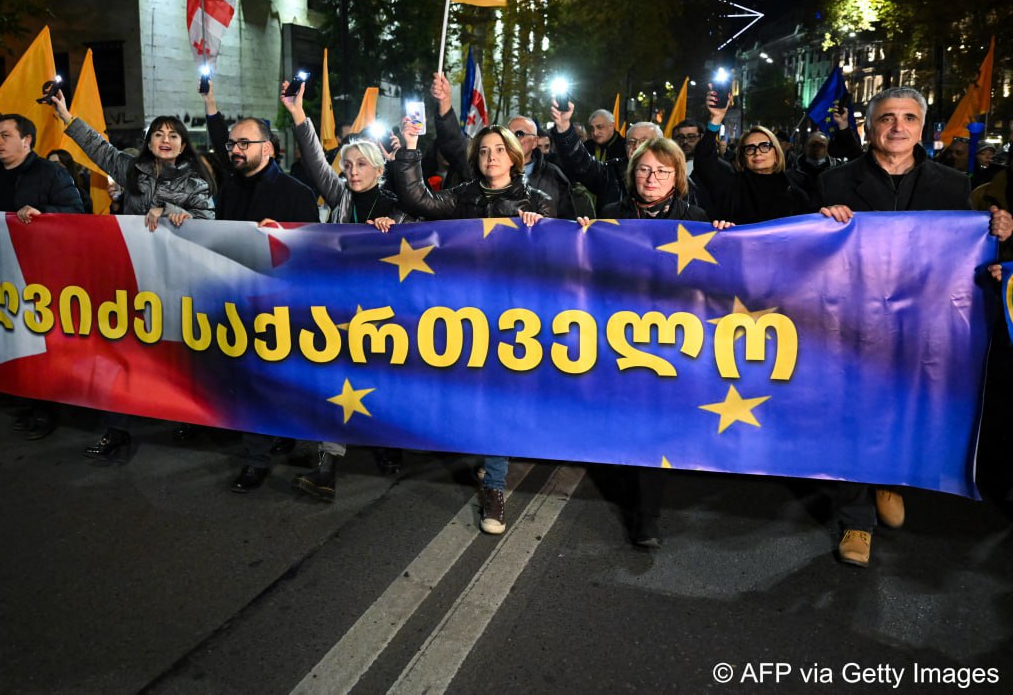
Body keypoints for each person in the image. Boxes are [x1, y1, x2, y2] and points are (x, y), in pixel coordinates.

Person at [818, 87, 1013, 568]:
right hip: (853, 322)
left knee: (908, 405)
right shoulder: (835, 183)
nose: (898, 127)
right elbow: (809, 252)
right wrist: (821, 223)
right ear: (869, 126)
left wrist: (1001, 233)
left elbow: (971, 251)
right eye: (887, 117)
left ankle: (891, 479)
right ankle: (857, 519)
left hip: (922, 323)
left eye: (908, 117)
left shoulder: (951, 184)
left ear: (922, 127)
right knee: (852, 413)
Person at [393, 113, 553, 536]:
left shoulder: (538, 199)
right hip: (464, 309)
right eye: (483, 151)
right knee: (469, 393)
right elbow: (418, 203)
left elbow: (568, 250)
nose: (491, 156)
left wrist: (546, 228)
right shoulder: (461, 195)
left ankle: (495, 488)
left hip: (516, 316)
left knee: (499, 396)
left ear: (515, 157)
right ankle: (487, 458)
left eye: (499, 149)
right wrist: (410, 146)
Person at [574, 133, 733, 546]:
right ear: (632, 173)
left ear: (677, 178)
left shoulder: (694, 217)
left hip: (668, 340)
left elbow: (715, 273)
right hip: (617, 335)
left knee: (653, 423)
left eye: (662, 171)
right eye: (644, 169)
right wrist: (581, 238)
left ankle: (647, 516)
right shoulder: (610, 214)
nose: (651, 178)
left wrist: (725, 237)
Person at [50, 90, 215, 460]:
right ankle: (117, 429)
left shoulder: (195, 182)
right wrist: (65, 115)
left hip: (176, 279)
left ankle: (188, 415)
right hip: (131, 277)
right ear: (149, 141)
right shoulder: (131, 170)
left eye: (174, 135)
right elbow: (98, 148)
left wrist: (171, 208)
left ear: (183, 144)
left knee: (176, 352)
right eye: (159, 134)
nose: (166, 140)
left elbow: (210, 224)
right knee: (121, 351)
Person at [281, 79, 408, 501]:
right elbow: (317, 163)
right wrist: (299, 115)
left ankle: (389, 445)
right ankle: (326, 467)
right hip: (337, 306)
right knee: (333, 381)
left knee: (383, 379)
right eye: (348, 165)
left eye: (360, 165)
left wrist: (393, 232)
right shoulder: (338, 198)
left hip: (384, 312)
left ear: (378, 168)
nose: (351, 172)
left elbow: (420, 247)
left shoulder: (396, 205)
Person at [202, 81, 319, 492]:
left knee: (280, 382)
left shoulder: (296, 193)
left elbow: (312, 251)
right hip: (235, 302)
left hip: (282, 307)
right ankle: (255, 458)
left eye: (243, 143)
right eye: (232, 143)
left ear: (266, 148)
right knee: (248, 382)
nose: (234, 149)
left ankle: (287, 435)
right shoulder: (229, 188)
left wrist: (282, 239)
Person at [0, 113, 85, 438]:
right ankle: (28, 402)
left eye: (6, 135)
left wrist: (45, 216)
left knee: (40, 343)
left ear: (27, 140)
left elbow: (77, 213)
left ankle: (47, 410)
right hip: (0, 273)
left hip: (40, 275)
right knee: (14, 341)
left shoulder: (50, 172)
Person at [697, 92, 811, 223]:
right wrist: (716, 118)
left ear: (777, 153)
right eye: (750, 148)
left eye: (764, 146)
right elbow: (703, 161)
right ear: (743, 157)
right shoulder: (730, 187)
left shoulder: (797, 196)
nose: (758, 153)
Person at [46, 148, 93, 213]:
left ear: (68, 167)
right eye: (49, 164)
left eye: (57, 163)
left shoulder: (81, 196)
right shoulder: (41, 192)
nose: (52, 168)